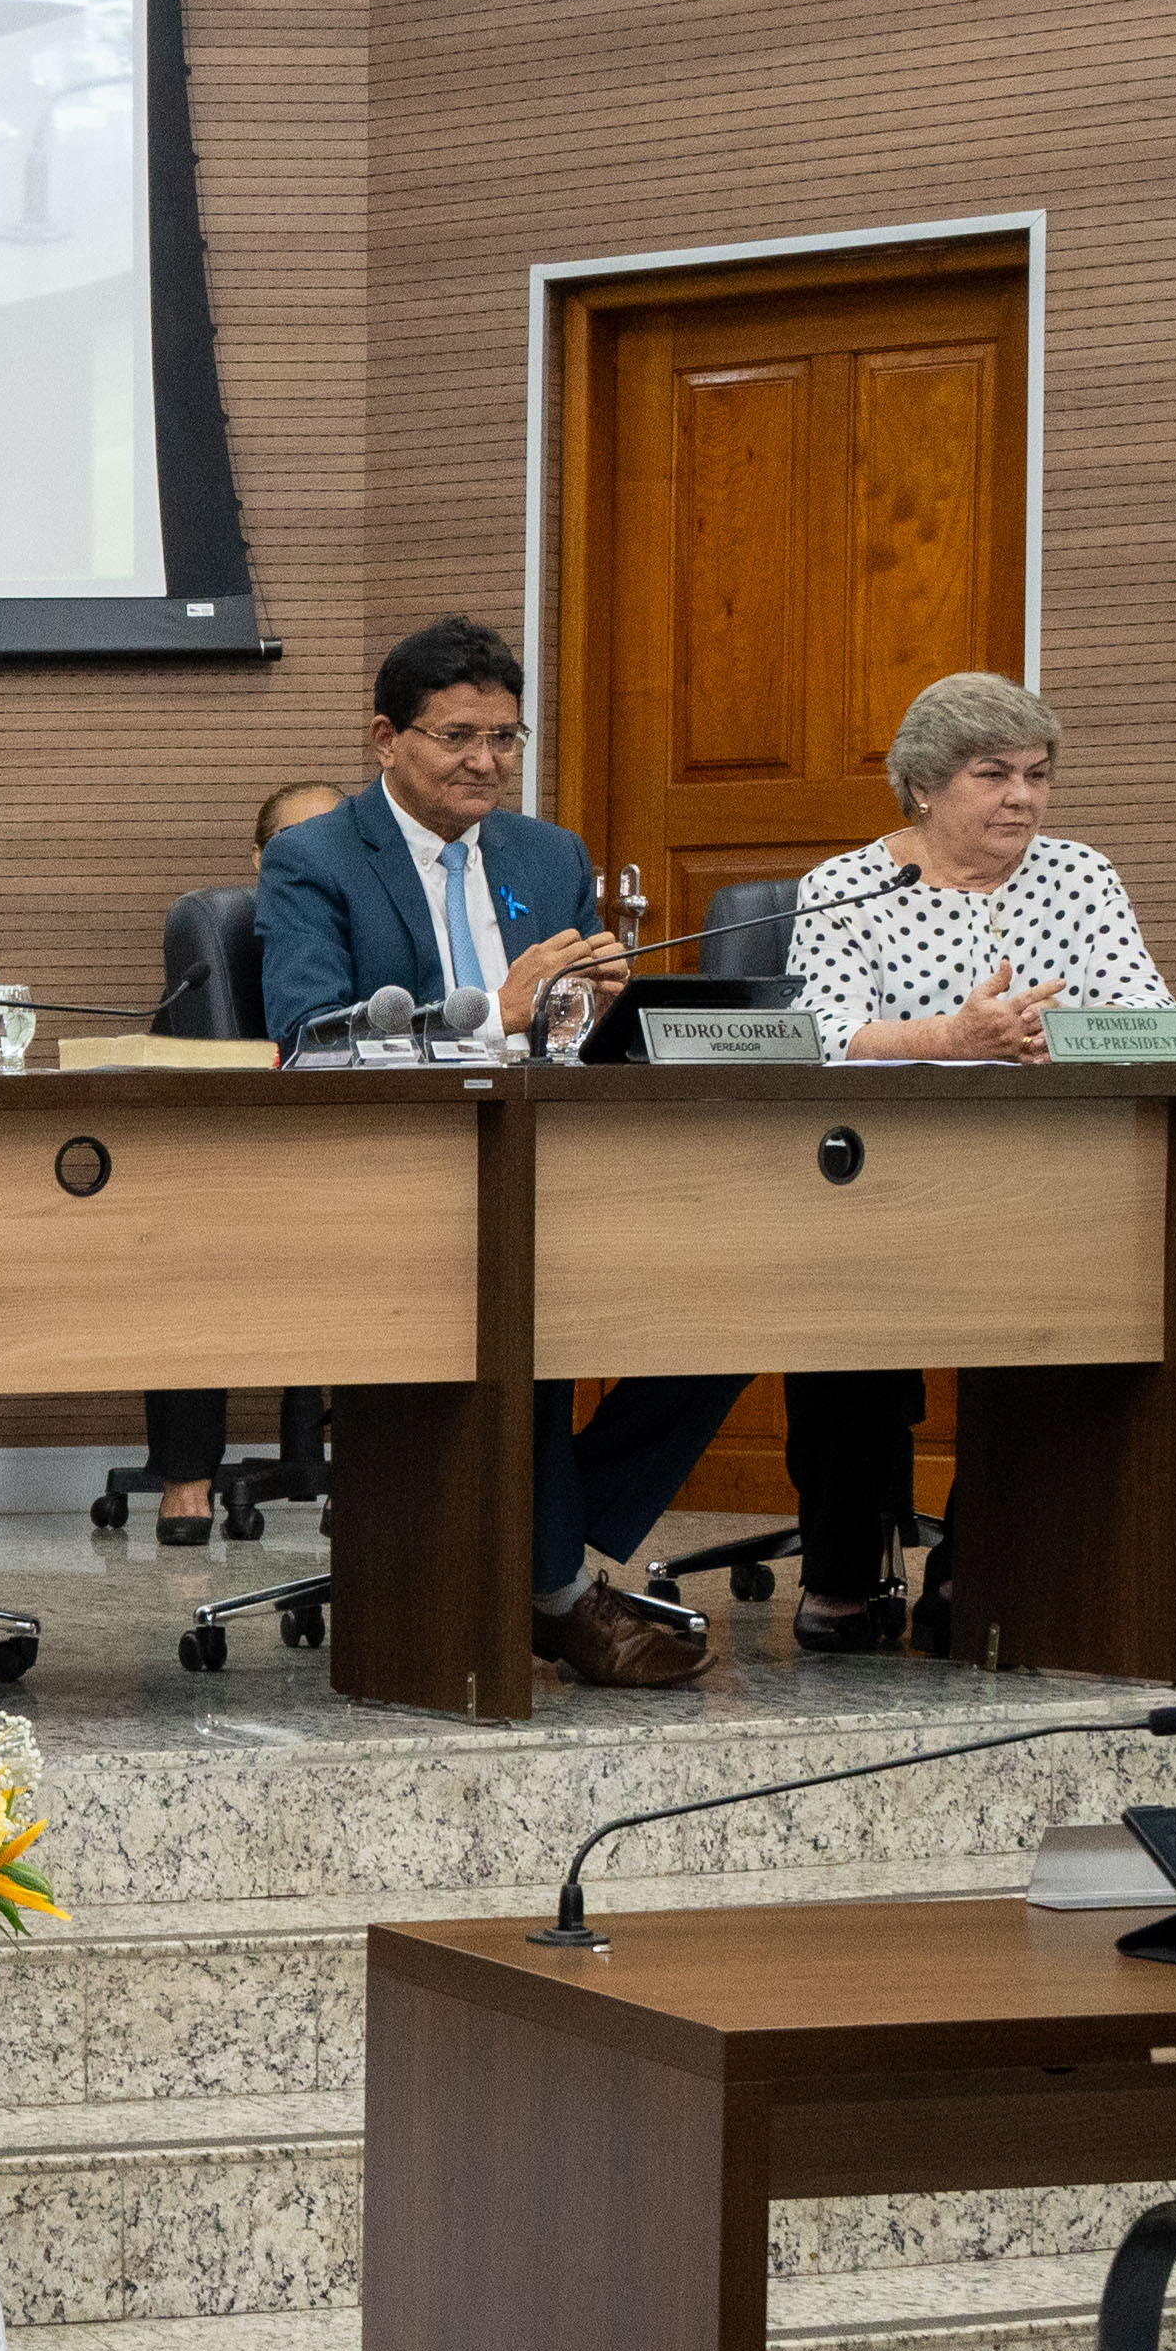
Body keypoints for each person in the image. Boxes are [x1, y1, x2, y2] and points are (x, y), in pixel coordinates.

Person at [260, 618, 723, 1687]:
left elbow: (564, 1046)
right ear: (385, 738)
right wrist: (496, 1015)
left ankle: (534, 1552)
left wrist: (599, 1007)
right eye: (457, 736)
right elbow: (307, 1036)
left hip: (545, 1160)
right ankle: (556, 1591)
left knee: (726, 1292)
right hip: (390, 1173)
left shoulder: (545, 853)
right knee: (528, 1304)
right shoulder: (312, 858)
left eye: (505, 739)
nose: (485, 762)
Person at [779, 672, 1176, 1657]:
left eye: (1036, 775)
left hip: (1041, 1175)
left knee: (1072, 1307)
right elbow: (816, 1037)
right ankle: (843, 1566)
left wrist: (1066, 1038)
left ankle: (978, 1552)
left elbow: (1150, 1021)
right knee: (844, 1317)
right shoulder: (847, 887)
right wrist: (951, 1036)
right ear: (921, 786)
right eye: (990, 773)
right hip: (871, 1180)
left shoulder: (1079, 875)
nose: (1021, 798)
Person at [134, 778, 354, 1542]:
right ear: (261, 860)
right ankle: (187, 1477)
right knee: (187, 1234)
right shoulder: (237, 934)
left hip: (354, 1161)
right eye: (298, 848)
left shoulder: (378, 922)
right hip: (237, 1161)